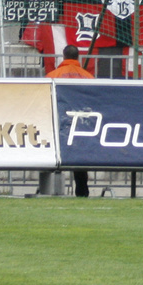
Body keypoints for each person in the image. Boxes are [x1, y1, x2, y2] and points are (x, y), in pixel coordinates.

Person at [46, 44, 94, 197]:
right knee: (79, 161)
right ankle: (82, 192)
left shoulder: (52, 75)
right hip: (81, 125)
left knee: (52, 158)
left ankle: (48, 190)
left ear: (64, 56)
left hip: (58, 123)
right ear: (78, 57)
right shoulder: (88, 77)